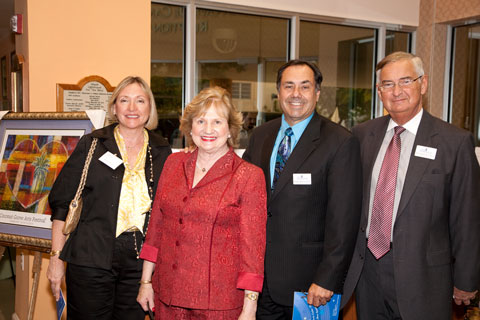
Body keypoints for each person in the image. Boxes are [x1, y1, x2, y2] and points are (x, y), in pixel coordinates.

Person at [341, 51, 480, 320]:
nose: (397, 91)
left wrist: (466, 279)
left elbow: (467, 218)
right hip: (367, 269)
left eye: (405, 81)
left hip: (425, 275)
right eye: (388, 84)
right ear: (379, 92)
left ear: (423, 84)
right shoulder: (361, 136)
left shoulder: (455, 142)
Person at [242, 59, 362, 319]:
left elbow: (344, 221)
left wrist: (328, 278)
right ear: (279, 91)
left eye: (304, 87)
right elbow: (241, 192)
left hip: (310, 287)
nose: (296, 94)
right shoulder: (261, 135)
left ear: (317, 93)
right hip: (259, 282)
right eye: (289, 86)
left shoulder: (340, 143)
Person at [136, 86, 267, 319]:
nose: (208, 129)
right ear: (190, 126)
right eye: (200, 121)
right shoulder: (173, 164)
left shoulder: (248, 176)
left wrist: (250, 307)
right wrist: (146, 281)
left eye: (217, 122)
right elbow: (156, 225)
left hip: (219, 303)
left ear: (230, 129)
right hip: (168, 295)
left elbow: (253, 248)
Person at [47, 76, 172, 319]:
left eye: (140, 101)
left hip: (140, 263)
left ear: (149, 108)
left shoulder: (162, 151)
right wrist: (55, 259)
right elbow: (62, 205)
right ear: (114, 107)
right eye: (124, 100)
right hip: (90, 257)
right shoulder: (93, 144)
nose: (132, 108)